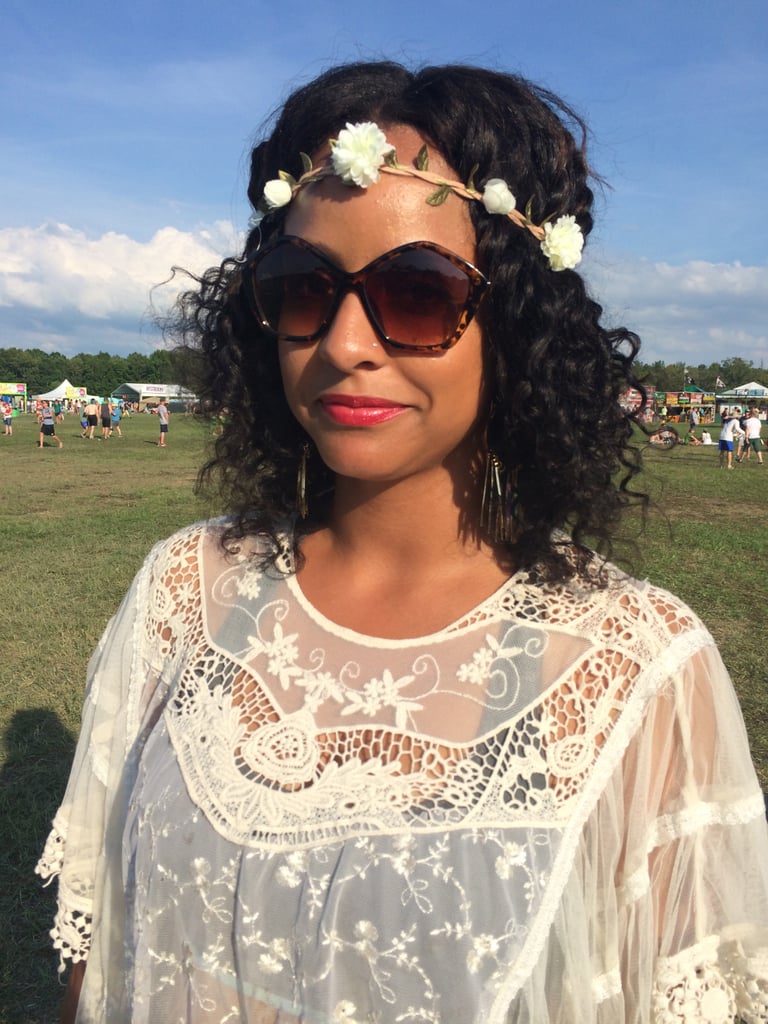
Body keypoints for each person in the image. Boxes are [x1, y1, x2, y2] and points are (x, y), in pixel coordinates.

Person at [37, 61, 768, 1024]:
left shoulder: (636, 670)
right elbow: (97, 943)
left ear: (514, 319)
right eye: (303, 288)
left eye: (418, 291)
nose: (344, 341)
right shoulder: (185, 591)